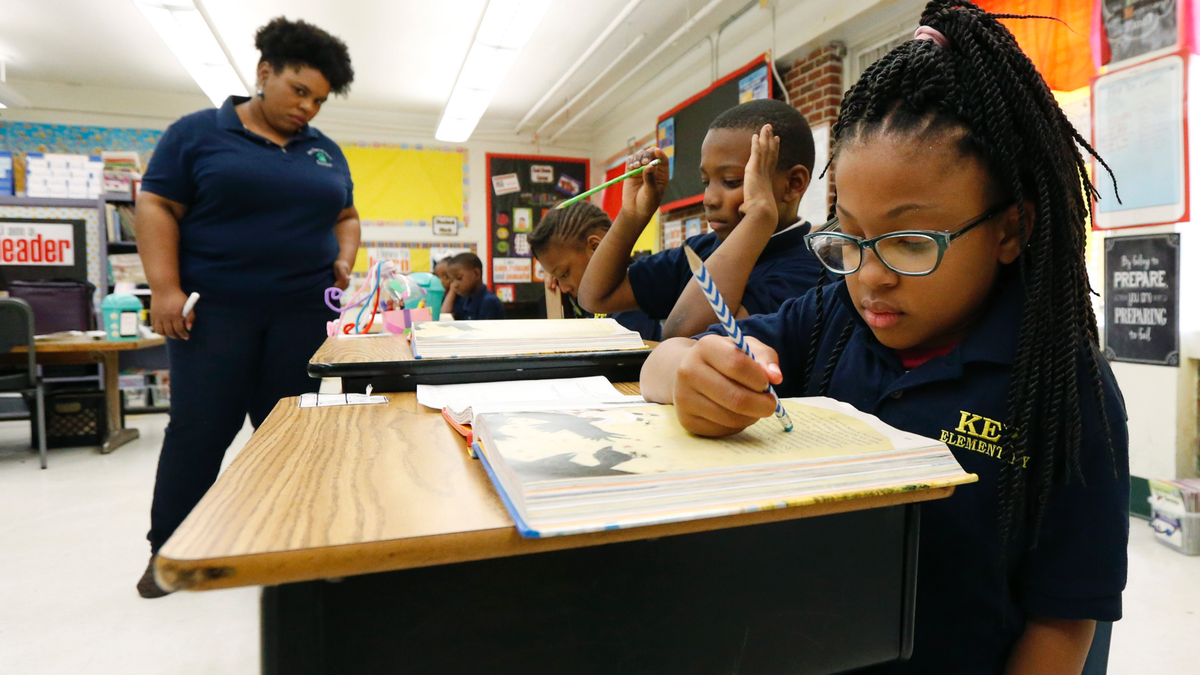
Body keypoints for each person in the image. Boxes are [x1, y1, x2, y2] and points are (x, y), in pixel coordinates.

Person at [640, 3, 1129, 673]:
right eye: (850, 236)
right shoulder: (832, 317)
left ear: (1011, 229)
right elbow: (659, 363)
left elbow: (1064, 620)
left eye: (907, 242)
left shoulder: (1063, 384)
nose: (869, 275)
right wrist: (693, 372)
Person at [135, 17, 357, 598]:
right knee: (202, 428)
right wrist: (164, 290)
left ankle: (291, 537)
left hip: (301, 311)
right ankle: (171, 550)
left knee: (289, 429)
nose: (308, 107)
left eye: (319, 100)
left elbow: (347, 216)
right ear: (264, 74)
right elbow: (156, 204)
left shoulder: (324, 153)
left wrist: (345, 257)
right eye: (299, 91)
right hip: (215, 311)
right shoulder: (197, 134)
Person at [577, 99, 823, 339]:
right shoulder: (701, 249)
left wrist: (759, 217)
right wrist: (632, 215)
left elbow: (684, 338)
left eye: (731, 181)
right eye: (706, 182)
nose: (709, 199)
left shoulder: (810, 275)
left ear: (792, 184)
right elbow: (595, 297)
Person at [529, 200, 661, 341]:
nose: (564, 288)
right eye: (556, 278)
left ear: (595, 248)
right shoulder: (579, 302)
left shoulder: (632, 295)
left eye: (564, 274)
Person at [446, 253, 505, 320]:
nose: (455, 285)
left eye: (459, 278)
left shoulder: (489, 302)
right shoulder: (465, 298)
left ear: (476, 274)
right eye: (452, 280)